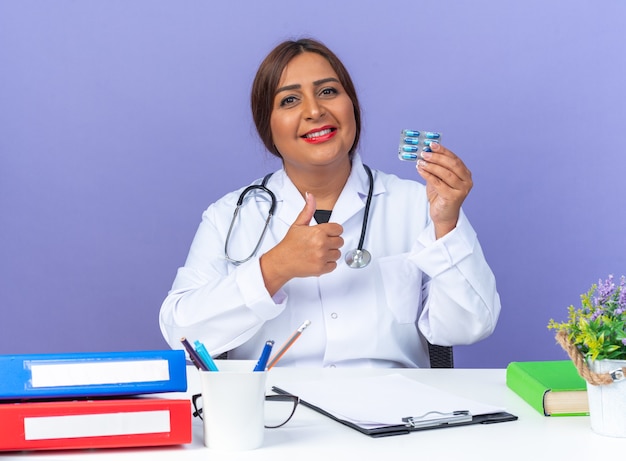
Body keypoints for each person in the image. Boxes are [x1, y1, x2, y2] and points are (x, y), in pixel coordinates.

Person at [159, 38, 501, 368]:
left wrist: (446, 225)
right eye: (290, 100)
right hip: (277, 416)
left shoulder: (417, 204)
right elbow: (182, 334)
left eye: (328, 92)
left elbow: (469, 326)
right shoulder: (230, 216)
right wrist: (274, 268)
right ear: (268, 126)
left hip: (394, 412)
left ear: (351, 106)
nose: (314, 110)